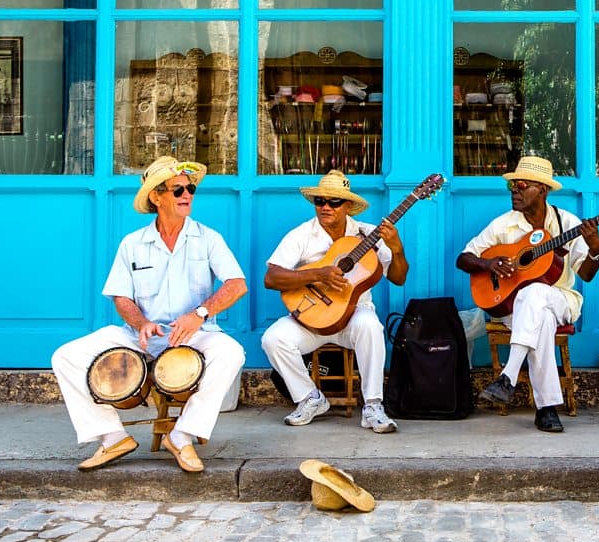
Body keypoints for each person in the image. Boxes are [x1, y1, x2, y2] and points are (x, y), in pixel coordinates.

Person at [52, 156, 248, 472]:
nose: (187, 195)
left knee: (232, 353)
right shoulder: (133, 243)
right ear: (156, 197)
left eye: (191, 189)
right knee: (65, 356)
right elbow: (121, 296)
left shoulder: (208, 238)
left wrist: (198, 314)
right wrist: (140, 323)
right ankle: (112, 436)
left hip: (195, 334)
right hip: (139, 335)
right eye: (178, 190)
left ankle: (182, 435)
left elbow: (237, 285)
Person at [456, 156, 599, 433]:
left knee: (536, 292)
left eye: (521, 185)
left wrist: (595, 248)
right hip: (514, 307)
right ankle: (545, 409)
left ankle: (507, 376)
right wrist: (488, 264)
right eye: (512, 186)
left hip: (561, 299)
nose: (515, 191)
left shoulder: (566, 223)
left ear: (542, 190)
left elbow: (586, 274)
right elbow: (463, 259)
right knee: (540, 320)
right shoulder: (504, 225)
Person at [261, 170, 407, 433]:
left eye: (334, 202)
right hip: (312, 316)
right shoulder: (302, 234)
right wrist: (318, 274)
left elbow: (398, 278)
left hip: (354, 314)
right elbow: (271, 278)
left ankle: (373, 406)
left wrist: (396, 248)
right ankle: (310, 398)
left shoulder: (370, 234)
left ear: (348, 206)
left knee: (371, 327)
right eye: (320, 201)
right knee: (273, 339)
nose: (325, 207)